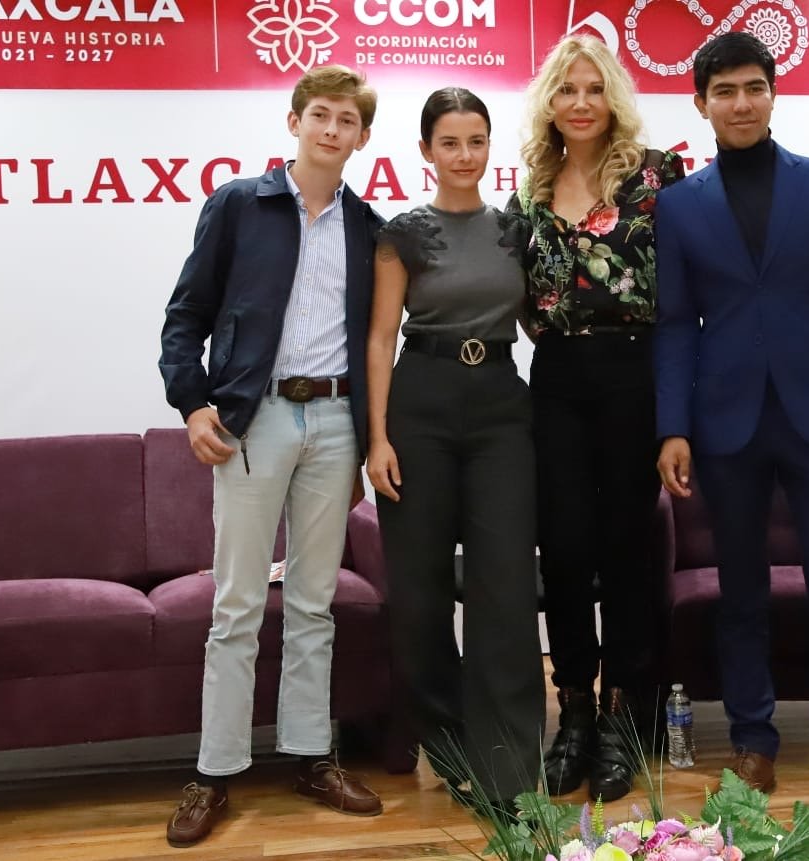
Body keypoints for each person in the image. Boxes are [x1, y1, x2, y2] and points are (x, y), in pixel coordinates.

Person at [653, 32, 809, 833]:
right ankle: (752, 743)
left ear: (772, 93)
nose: (741, 103)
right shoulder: (679, 204)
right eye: (724, 91)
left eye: (753, 87)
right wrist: (672, 426)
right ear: (700, 104)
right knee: (740, 596)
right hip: (725, 424)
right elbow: (674, 325)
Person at [158, 65, 385, 848]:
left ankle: (311, 756)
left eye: (346, 120)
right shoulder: (237, 204)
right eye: (319, 114)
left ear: (362, 136)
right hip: (252, 421)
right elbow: (186, 314)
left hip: (336, 422)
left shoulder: (368, 227)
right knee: (237, 603)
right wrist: (192, 403)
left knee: (315, 600)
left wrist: (371, 435)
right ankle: (214, 771)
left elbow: (376, 340)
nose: (331, 129)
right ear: (295, 122)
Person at [509, 35, 684, 802]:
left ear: (611, 96)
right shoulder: (531, 186)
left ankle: (622, 717)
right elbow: (522, 297)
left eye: (592, 88)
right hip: (555, 376)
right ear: (549, 102)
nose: (579, 102)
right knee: (563, 548)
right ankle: (573, 711)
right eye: (565, 89)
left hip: (632, 372)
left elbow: (683, 295)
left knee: (626, 550)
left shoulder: (656, 176)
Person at [366, 87, 545, 812]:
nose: (464, 155)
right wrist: (377, 438)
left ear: (489, 146)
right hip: (421, 404)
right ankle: (448, 746)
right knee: (419, 590)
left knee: (506, 587)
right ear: (426, 151)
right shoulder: (402, 233)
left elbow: (537, 323)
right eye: (449, 143)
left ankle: (509, 766)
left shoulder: (516, 230)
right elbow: (381, 336)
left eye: (476, 141)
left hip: (501, 405)